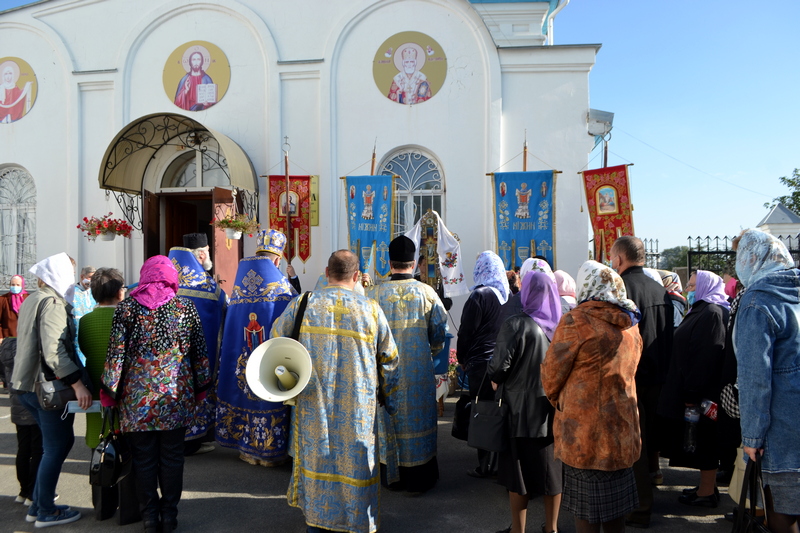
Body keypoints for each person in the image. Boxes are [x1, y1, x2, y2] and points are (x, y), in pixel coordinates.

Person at [270, 250, 398, 533]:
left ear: (326, 274)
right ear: (356, 277)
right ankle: (356, 525)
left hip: (314, 407)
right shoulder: (371, 309)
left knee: (319, 464)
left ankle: (318, 526)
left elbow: (275, 344)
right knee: (356, 468)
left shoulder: (302, 304)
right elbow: (390, 360)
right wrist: (389, 398)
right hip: (358, 413)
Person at [101, 256, 211, 533]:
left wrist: (109, 394)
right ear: (170, 276)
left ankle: (150, 517)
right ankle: (170, 515)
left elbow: (116, 355)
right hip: (176, 397)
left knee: (144, 459)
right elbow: (200, 354)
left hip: (136, 401)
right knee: (173, 457)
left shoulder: (126, 308)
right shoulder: (185, 307)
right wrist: (201, 390)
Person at [542, 260, 642, 533]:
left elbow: (551, 374)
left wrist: (560, 401)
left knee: (586, 512)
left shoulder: (577, 320)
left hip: (584, 432)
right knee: (616, 510)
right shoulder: (631, 322)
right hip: (622, 429)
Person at [12, 252, 89, 527]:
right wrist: (77, 383)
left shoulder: (34, 297)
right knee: (56, 447)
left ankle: (37, 504)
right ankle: (45, 510)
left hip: (26, 384)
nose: (72, 277)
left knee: (54, 445)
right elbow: (54, 351)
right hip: (43, 386)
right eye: (69, 271)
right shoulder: (54, 303)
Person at [366, 235, 448, 493]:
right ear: (414, 264)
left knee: (388, 418)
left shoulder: (374, 293)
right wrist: (430, 351)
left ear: (389, 263)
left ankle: (391, 475)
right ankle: (419, 478)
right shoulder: (427, 292)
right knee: (419, 419)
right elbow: (439, 331)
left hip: (384, 372)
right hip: (418, 370)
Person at [733, 229, 800, 531]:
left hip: (782, 431)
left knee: (780, 516)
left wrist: (752, 438)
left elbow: (754, 378)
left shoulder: (757, 301)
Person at [488, 271, 563, 533]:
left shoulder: (515, 324)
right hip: (551, 411)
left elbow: (498, 367)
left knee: (517, 475)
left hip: (518, 412)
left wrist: (494, 378)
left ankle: (518, 530)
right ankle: (551, 528)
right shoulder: (561, 326)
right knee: (551, 473)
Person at [216, 229, 297, 466]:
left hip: (242, 357)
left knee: (245, 393)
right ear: (277, 260)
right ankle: (271, 451)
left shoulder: (239, 292)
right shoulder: (284, 293)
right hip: (272, 360)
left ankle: (248, 449)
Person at [610, 236, 673, 524]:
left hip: (633, 377)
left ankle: (640, 506)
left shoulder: (622, 289)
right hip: (659, 376)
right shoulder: (660, 290)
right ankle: (647, 492)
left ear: (620, 259)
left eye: (612, 258)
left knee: (634, 441)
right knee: (648, 439)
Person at [657, 270, 729, 508]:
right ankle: (704, 487)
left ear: (706, 287)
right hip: (694, 390)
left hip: (703, 394)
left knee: (706, 443)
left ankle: (707, 492)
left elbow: (705, 357)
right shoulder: (701, 309)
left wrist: (692, 393)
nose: (688, 289)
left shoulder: (712, 313)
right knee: (700, 442)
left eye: (692, 285)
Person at [78, 267, 135, 521]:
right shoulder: (129, 317)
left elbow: (85, 350)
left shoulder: (85, 322)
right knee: (126, 451)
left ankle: (102, 510)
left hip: (96, 392)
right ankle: (129, 511)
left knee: (100, 448)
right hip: (125, 393)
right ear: (119, 292)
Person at [168, 232, 226, 452]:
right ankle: (192, 440)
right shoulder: (208, 288)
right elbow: (223, 313)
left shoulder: (163, 282)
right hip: (196, 353)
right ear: (201, 255)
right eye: (208, 251)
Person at [457, 250, 510, 478]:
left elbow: (466, 333)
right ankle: (500, 461)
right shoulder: (507, 296)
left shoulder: (479, 296)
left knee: (482, 412)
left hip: (480, 362)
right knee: (498, 411)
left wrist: (462, 359)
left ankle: (485, 465)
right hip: (503, 362)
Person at [0, 335, 42, 508]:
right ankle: (33, 491)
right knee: (38, 449)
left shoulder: (6, 348)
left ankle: (24, 490)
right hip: (33, 402)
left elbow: (3, 376)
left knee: (23, 449)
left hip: (16, 403)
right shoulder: (31, 345)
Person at [0, 274, 29, 388]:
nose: (15, 287)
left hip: (24, 338)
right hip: (8, 338)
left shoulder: (28, 298)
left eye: (17, 284)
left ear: (22, 285)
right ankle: (9, 385)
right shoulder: (3, 299)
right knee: (8, 365)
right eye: (12, 284)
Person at [72, 265, 97, 364]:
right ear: (82, 277)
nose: (92, 281)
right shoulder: (72, 292)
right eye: (90, 277)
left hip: (91, 332)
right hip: (77, 332)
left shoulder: (94, 292)